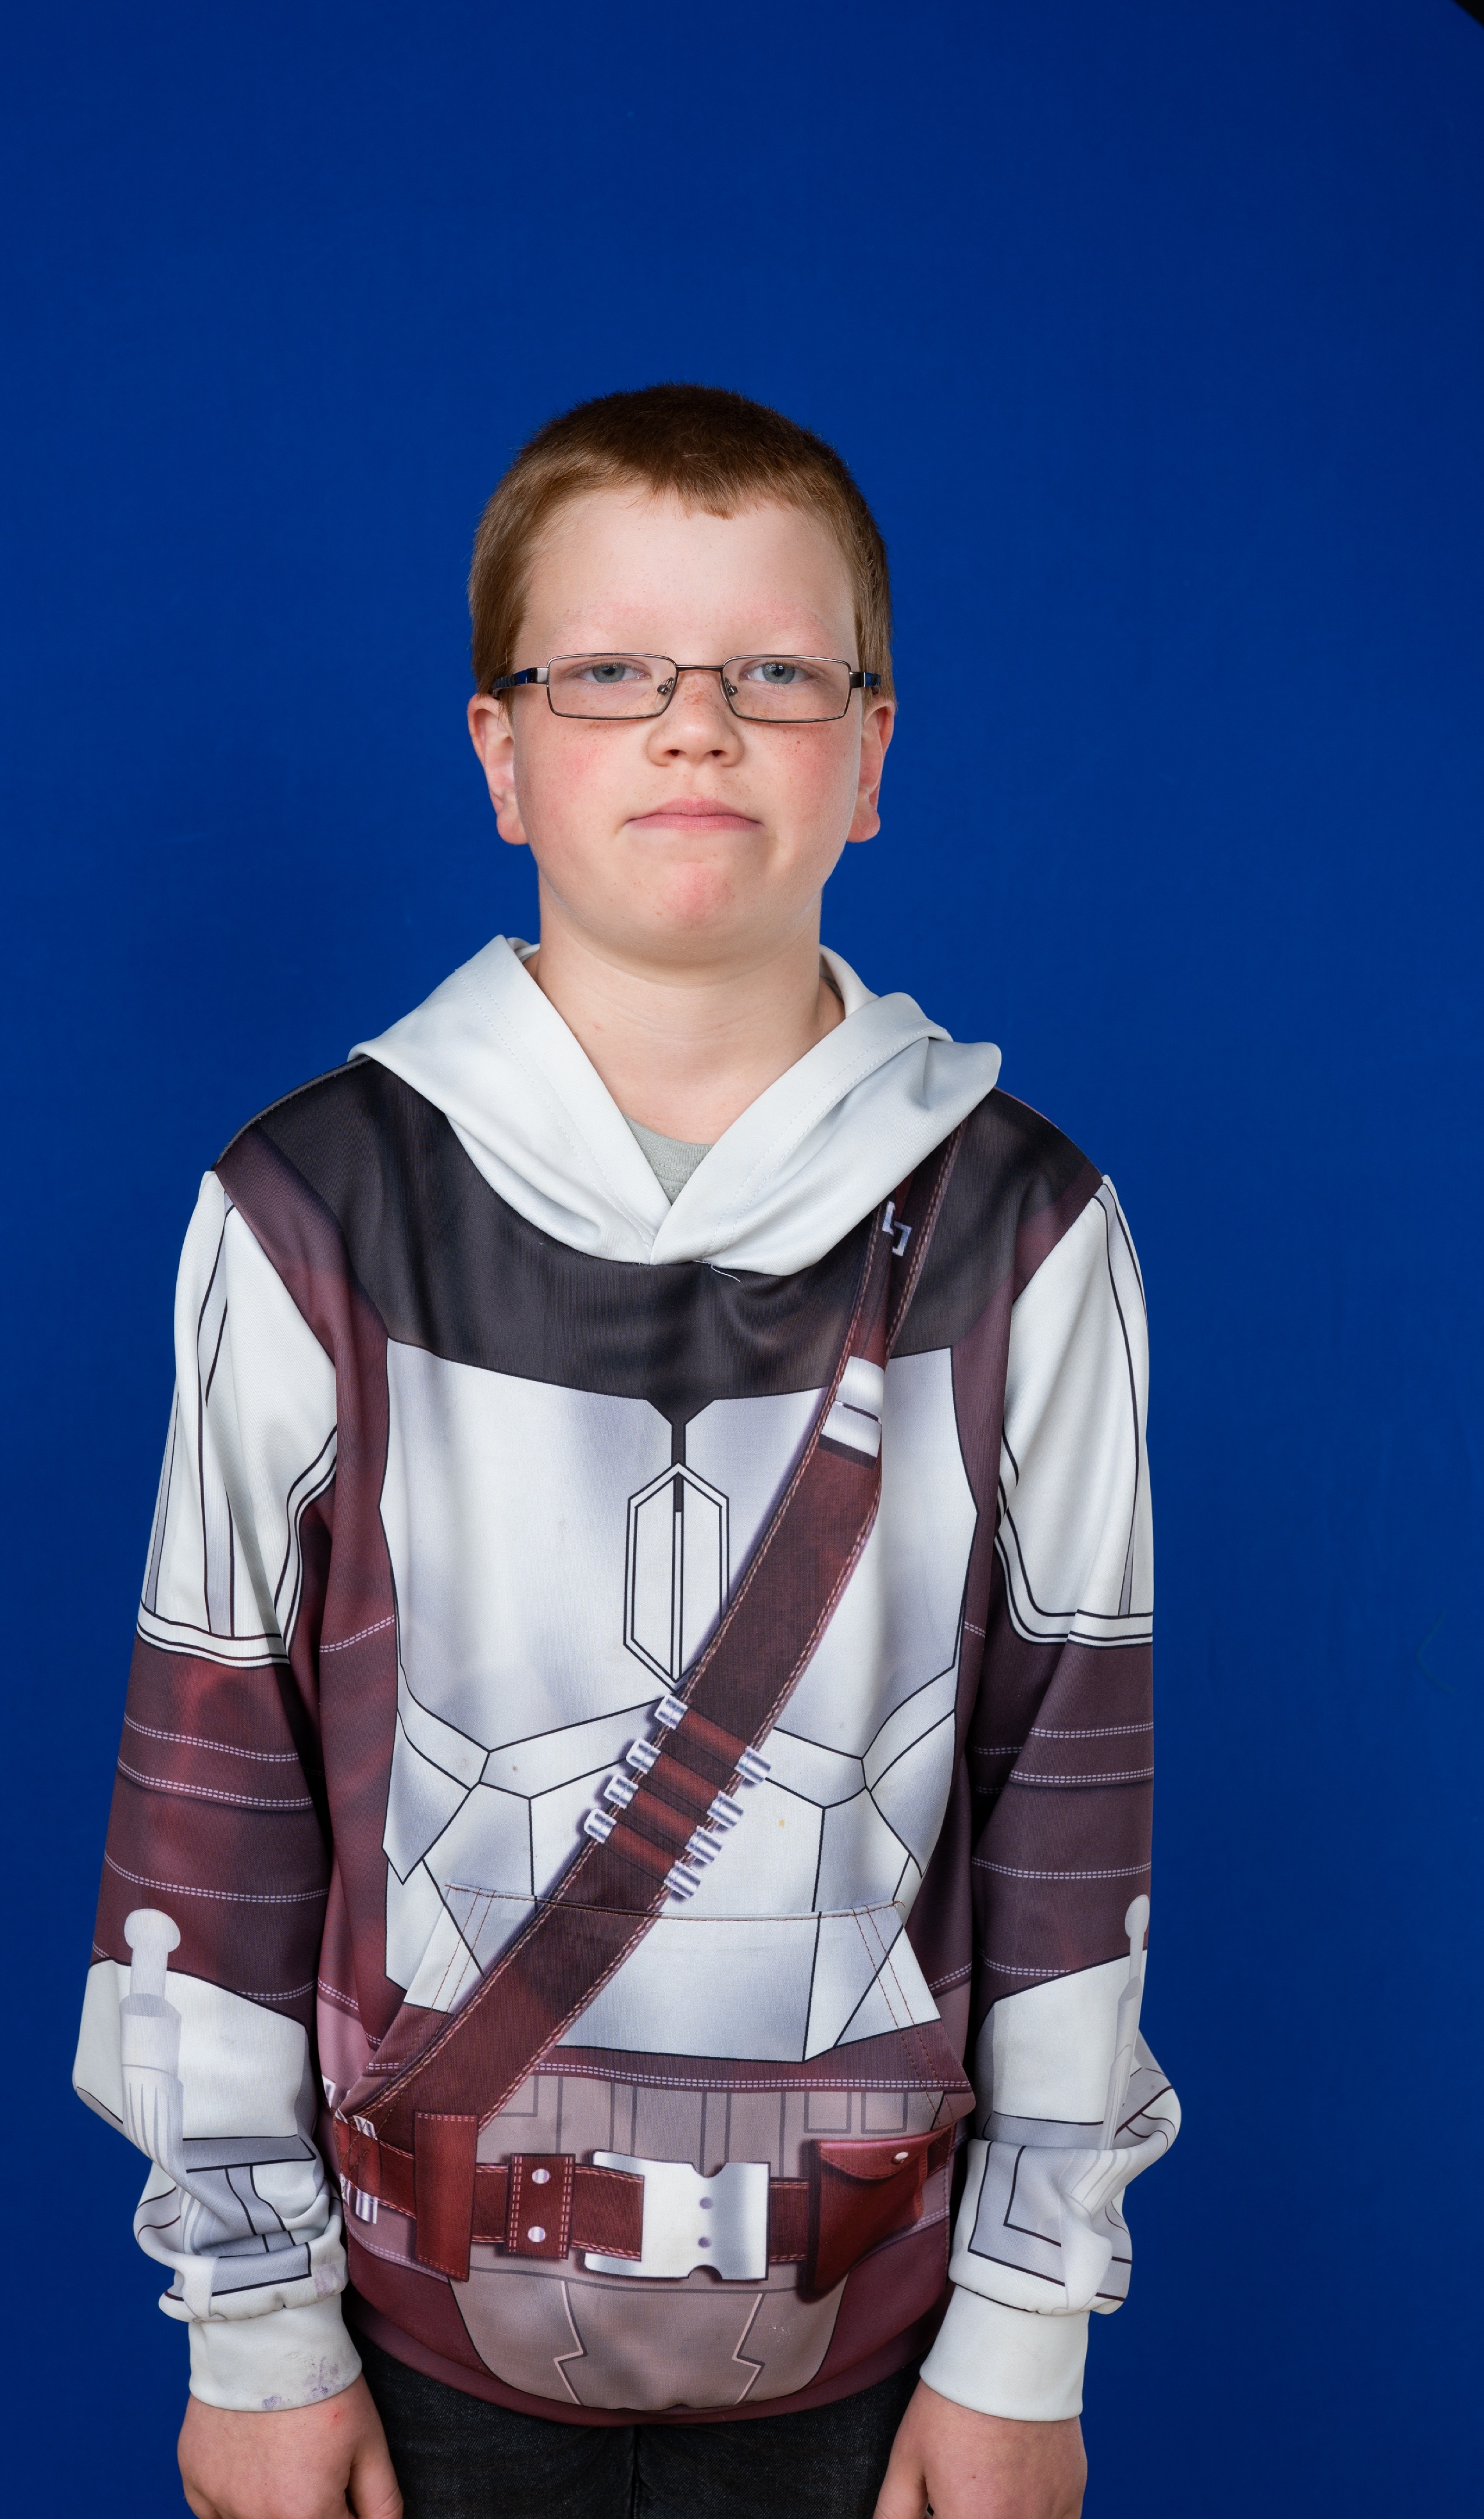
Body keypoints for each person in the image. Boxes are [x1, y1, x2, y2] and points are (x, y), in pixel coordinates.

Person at [73, 383, 1178, 2519]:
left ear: (872, 753)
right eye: (611, 674)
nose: (696, 727)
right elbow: (214, 1796)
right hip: (407, 2344)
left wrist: (1029, 2329)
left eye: (775, 674)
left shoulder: (1027, 1226)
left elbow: (1069, 1795)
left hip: (882, 2350)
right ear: (502, 753)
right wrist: (254, 2324)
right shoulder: (309, 1208)